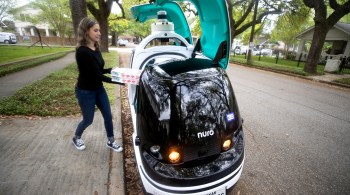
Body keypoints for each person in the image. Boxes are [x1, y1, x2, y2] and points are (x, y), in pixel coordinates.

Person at [72, 17, 124, 152]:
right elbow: (98, 76)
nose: (99, 33)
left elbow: (99, 70)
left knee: (108, 115)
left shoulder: (95, 47)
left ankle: (111, 141)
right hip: (85, 92)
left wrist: (110, 70)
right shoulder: (82, 52)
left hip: (98, 89)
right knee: (88, 120)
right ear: (86, 31)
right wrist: (121, 81)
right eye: (96, 30)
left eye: (99, 30)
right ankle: (76, 137)